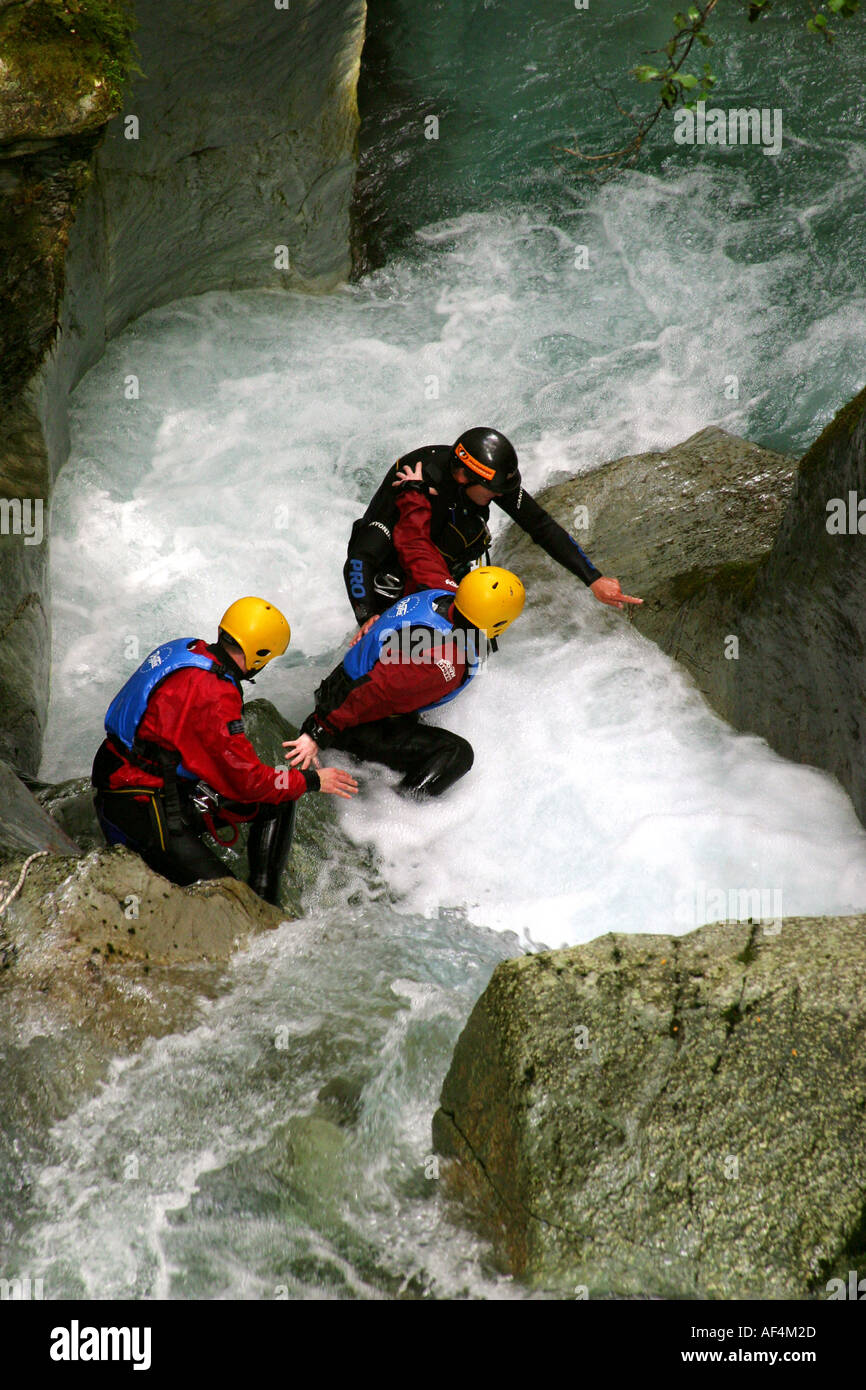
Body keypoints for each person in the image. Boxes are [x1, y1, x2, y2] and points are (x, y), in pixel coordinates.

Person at [92, 597, 358, 904]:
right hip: (136, 802)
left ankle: (265, 900)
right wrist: (313, 781)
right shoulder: (215, 695)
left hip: (128, 772)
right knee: (231, 902)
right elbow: (248, 782)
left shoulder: (189, 648)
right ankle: (256, 909)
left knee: (279, 800)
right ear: (258, 654)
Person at [343, 426, 642, 638]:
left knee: (468, 540)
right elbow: (359, 557)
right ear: (463, 476)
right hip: (390, 566)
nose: (500, 497)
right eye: (493, 492)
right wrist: (367, 616)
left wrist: (594, 578)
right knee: (389, 585)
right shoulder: (415, 477)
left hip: (439, 559)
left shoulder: (489, 481)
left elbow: (539, 525)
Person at [284, 566, 525, 798]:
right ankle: (400, 809)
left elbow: (421, 557)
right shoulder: (441, 663)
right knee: (458, 754)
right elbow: (374, 689)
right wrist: (317, 731)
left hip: (346, 684)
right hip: (347, 717)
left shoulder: (440, 594)